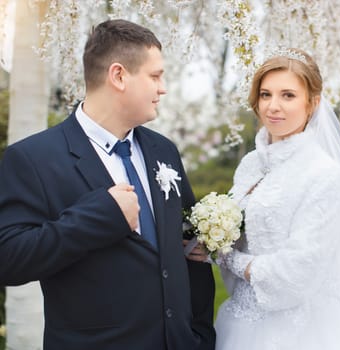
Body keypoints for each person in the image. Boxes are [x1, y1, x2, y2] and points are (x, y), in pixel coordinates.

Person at [0, 19, 215, 350]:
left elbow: (188, 250)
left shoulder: (164, 151)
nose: (163, 88)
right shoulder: (32, 159)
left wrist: (199, 335)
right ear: (118, 76)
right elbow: (9, 259)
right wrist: (100, 216)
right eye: (155, 76)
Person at [188, 48, 340, 349]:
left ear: (312, 103)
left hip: (300, 330)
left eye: (288, 95)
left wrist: (226, 257)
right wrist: (210, 237)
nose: (273, 106)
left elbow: (298, 271)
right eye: (265, 94)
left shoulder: (322, 173)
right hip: (240, 322)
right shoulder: (251, 163)